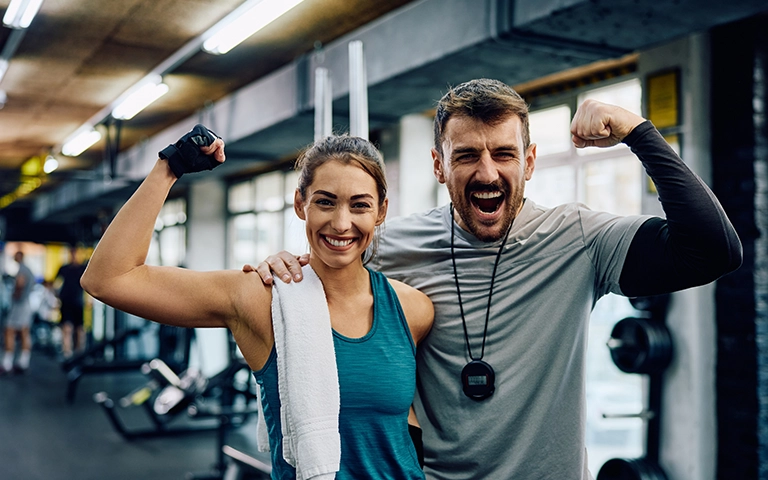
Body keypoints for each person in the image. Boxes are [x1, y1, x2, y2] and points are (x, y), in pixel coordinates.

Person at [249, 78, 743, 479]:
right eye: (466, 155)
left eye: (504, 154)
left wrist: (639, 132)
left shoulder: (579, 238)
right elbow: (331, 254)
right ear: (440, 165)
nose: (487, 172)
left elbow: (714, 250)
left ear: (528, 162)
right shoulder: (390, 245)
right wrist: (287, 268)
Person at [80, 126, 433, 479]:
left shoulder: (412, 309)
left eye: (360, 206)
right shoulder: (261, 297)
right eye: (325, 202)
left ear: (381, 211)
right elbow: (108, 279)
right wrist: (169, 167)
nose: (342, 223)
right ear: (300, 205)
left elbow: (402, 424)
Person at [2, 251, 37, 374]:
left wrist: (14, 296)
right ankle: (23, 361)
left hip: (20, 305)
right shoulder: (27, 269)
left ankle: (7, 363)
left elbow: (20, 284)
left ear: (20, 256)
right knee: (24, 331)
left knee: (9, 330)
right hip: (25, 304)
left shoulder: (23, 269)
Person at [55, 246, 88, 358]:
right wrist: (57, 296)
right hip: (66, 301)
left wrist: (89, 299)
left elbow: (89, 284)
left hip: (78, 302)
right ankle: (67, 353)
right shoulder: (64, 268)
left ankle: (79, 353)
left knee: (79, 328)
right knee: (67, 327)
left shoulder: (83, 268)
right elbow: (56, 283)